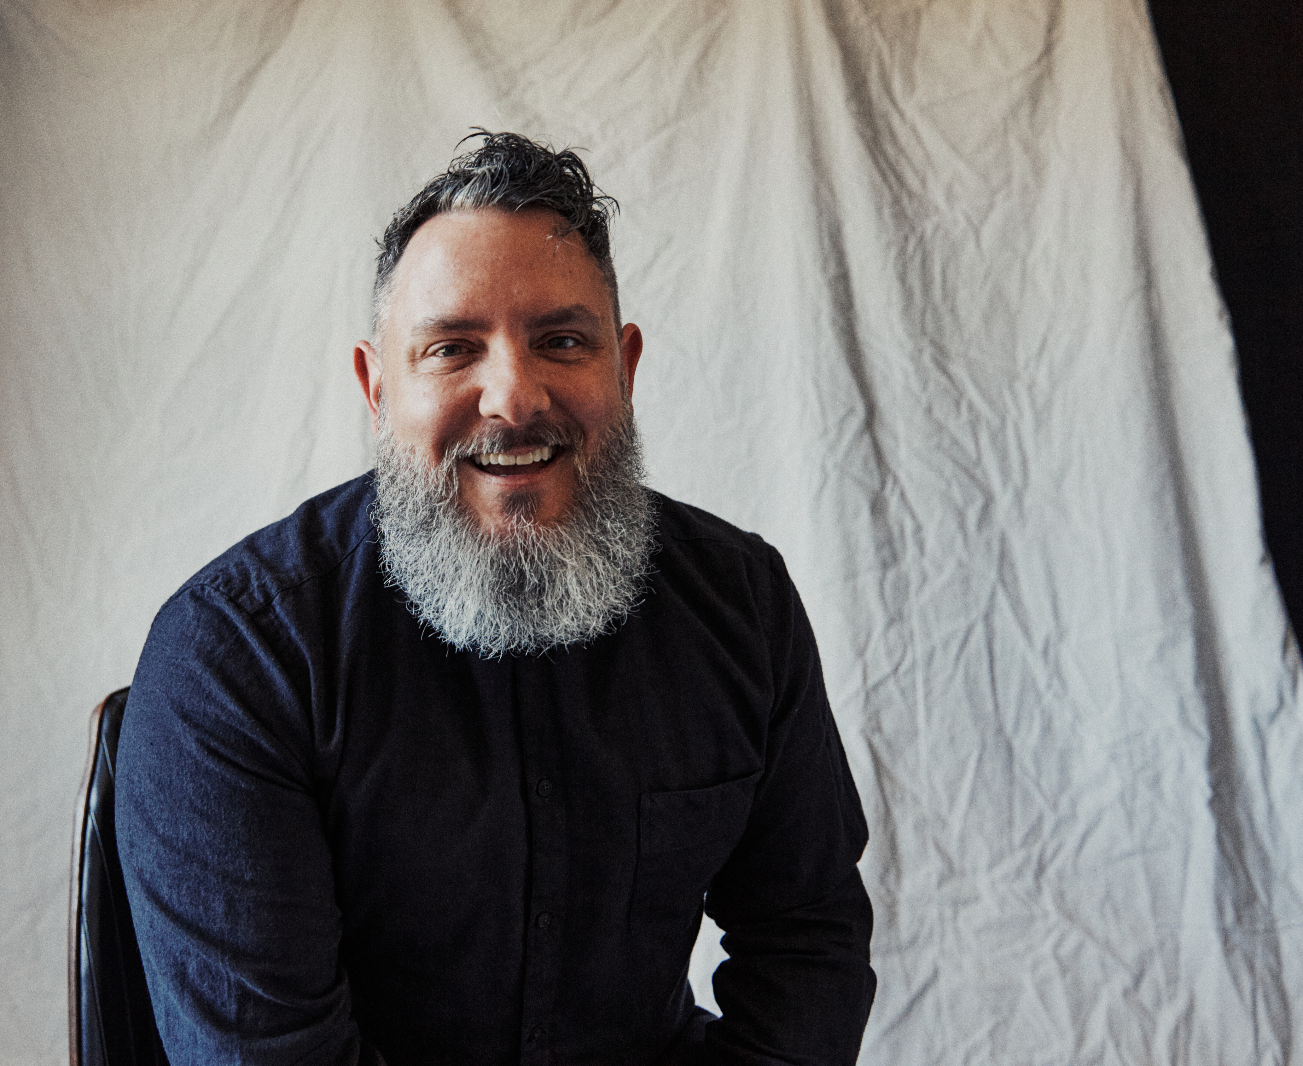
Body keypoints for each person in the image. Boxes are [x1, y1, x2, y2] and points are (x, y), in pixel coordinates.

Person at [116, 131, 876, 1066]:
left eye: (561, 341)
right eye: (452, 348)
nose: (514, 398)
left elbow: (807, 943)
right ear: (376, 387)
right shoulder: (237, 656)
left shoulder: (742, 607)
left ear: (625, 367)